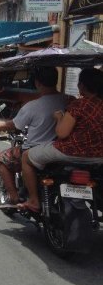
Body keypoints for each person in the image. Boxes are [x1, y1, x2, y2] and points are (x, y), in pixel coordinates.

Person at [19, 68, 103, 212]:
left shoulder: (79, 105)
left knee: (26, 157)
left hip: (70, 152)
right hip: (98, 157)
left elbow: (62, 133)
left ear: (82, 85)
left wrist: (59, 118)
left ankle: (33, 200)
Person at [0, 66, 69, 206]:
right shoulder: (70, 100)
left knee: (2, 158)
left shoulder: (32, 106)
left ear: (37, 83)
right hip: (60, 150)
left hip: (35, 150)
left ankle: (14, 197)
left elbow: (12, 125)